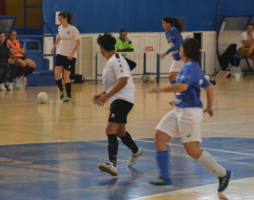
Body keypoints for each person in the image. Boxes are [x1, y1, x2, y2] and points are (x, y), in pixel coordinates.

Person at [147, 38, 232, 193]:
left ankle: (223, 174)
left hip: (189, 112)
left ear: (183, 52)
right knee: (159, 138)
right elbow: (209, 89)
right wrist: (210, 106)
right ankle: (165, 177)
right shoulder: (192, 67)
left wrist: (160, 90)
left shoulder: (190, 67)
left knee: (192, 150)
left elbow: (183, 86)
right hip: (179, 109)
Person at [94, 33, 144, 176]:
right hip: (118, 98)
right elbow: (115, 82)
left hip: (122, 98)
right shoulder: (113, 61)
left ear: (102, 48)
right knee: (120, 132)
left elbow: (123, 81)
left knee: (110, 130)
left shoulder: (117, 60)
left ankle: (112, 164)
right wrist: (104, 93)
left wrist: (106, 96)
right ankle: (135, 150)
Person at [51, 12, 80, 103]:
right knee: (56, 74)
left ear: (66, 19)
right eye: (58, 19)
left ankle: (69, 97)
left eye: (61, 19)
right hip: (60, 53)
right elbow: (59, 37)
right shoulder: (60, 28)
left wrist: (72, 54)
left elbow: (78, 43)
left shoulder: (73, 29)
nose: (59, 21)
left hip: (70, 56)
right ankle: (61, 90)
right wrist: (54, 46)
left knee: (66, 76)